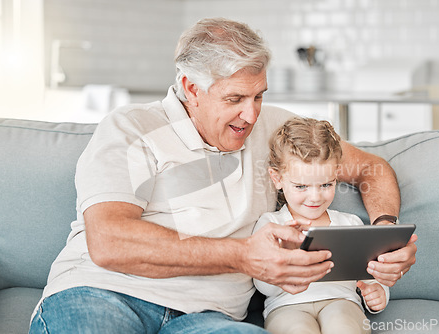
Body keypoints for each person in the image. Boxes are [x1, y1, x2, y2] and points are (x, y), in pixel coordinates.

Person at [29, 18, 416, 334]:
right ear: (190, 89)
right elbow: (109, 241)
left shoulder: (276, 130)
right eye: (234, 99)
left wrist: (386, 234)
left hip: (208, 318)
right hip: (104, 293)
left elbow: (372, 168)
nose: (251, 115)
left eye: (259, 95)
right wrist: (243, 256)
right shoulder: (131, 128)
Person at [254, 117, 389, 334]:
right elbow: (264, 288)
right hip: (287, 306)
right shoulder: (271, 225)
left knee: (343, 327)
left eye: (326, 184)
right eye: (301, 186)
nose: (315, 197)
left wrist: (378, 292)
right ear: (277, 179)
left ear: (336, 175)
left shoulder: (349, 223)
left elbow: (371, 274)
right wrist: (284, 263)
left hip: (342, 301)